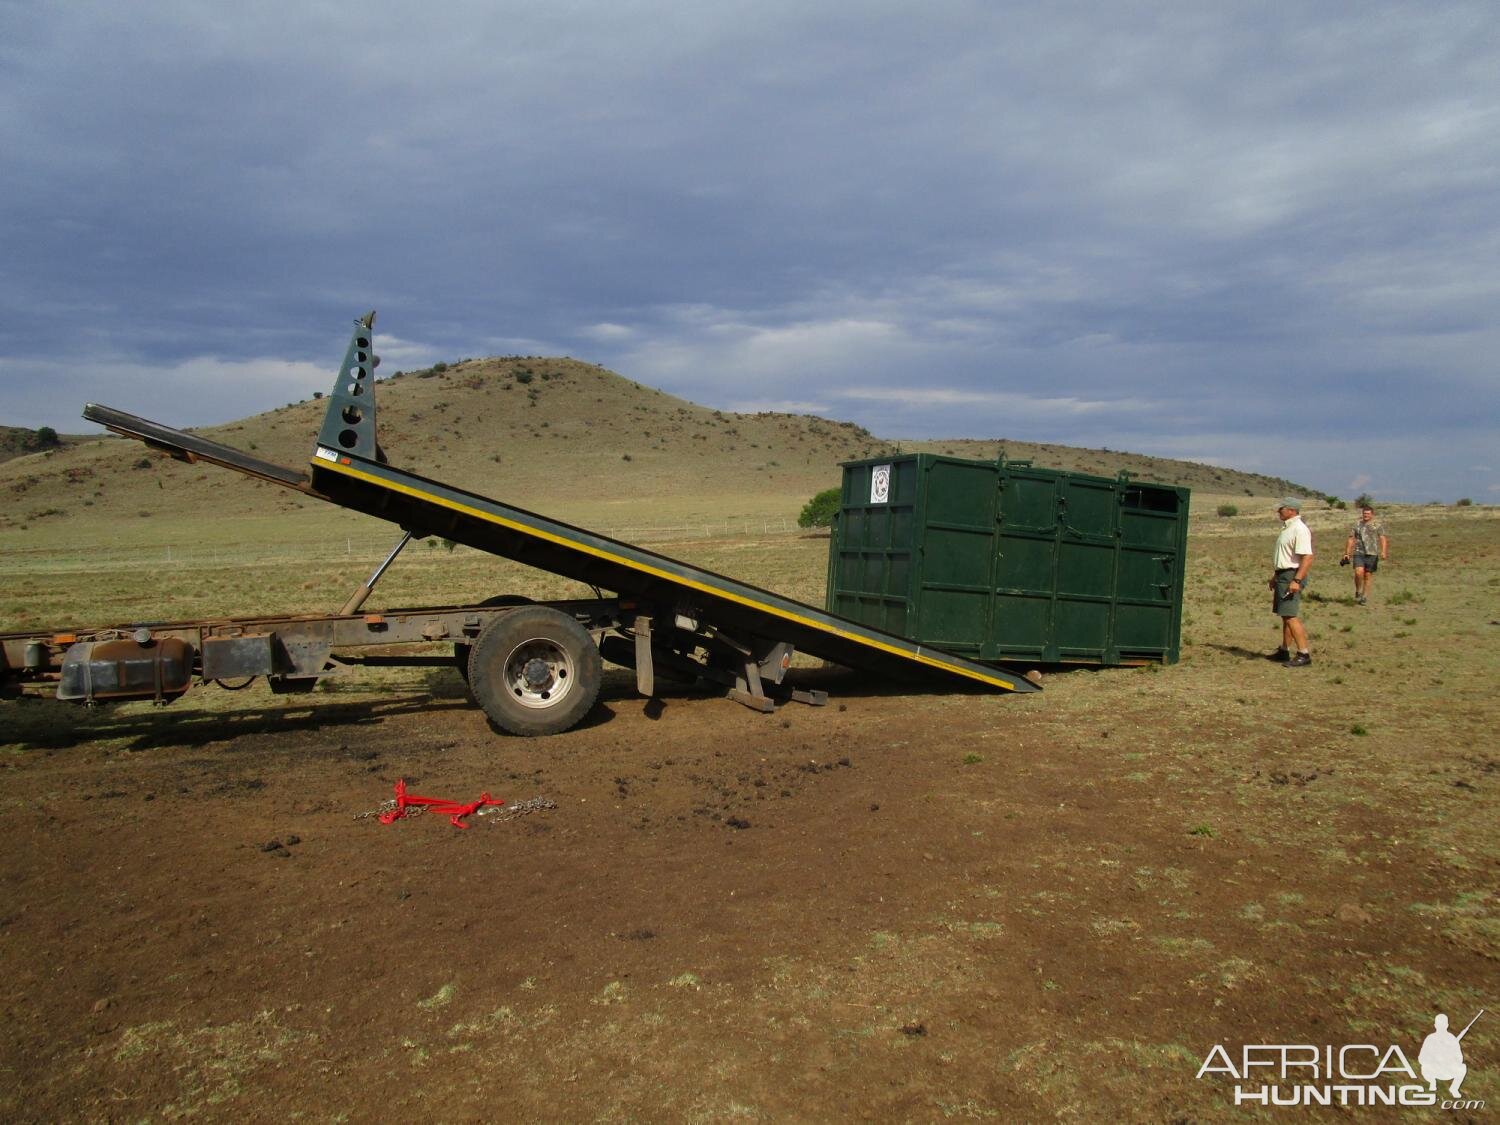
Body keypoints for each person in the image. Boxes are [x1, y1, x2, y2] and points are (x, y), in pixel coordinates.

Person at [1268, 497, 1314, 667]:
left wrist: (1296, 580)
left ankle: (1304, 653)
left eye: (1282, 509)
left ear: (1292, 510)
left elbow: (1307, 557)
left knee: (1290, 616)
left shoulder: (1299, 529)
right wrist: (1276, 576)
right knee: (1285, 616)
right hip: (1283, 575)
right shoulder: (1287, 528)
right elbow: (1285, 556)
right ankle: (1284, 650)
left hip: (1291, 575)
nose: (1279, 511)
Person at [1341, 505, 1388, 605]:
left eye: (1368, 513)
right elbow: (1350, 538)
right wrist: (1347, 553)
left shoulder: (1377, 525)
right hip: (1359, 552)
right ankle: (1358, 590)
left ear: (1372, 514)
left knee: (1367, 575)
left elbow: (1382, 538)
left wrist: (1383, 551)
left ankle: (1364, 596)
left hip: (1372, 553)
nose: (1365, 515)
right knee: (1358, 572)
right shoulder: (1357, 524)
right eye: (1364, 513)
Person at [1419, 1013, 1467, 1098]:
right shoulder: (1430, 1039)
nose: (1441, 1027)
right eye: (1439, 1025)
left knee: (1462, 1067)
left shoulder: (1452, 1039)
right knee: (1424, 1067)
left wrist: (1449, 1058)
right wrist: (1433, 1059)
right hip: (1433, 1071)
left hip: (1448, 1070)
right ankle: (1432, 1082)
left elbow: (1459, 1058)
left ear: (1447, 1025)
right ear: (1435, 1025)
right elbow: (1421, 1058)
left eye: (1443, 1024)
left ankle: (1454, 1088)